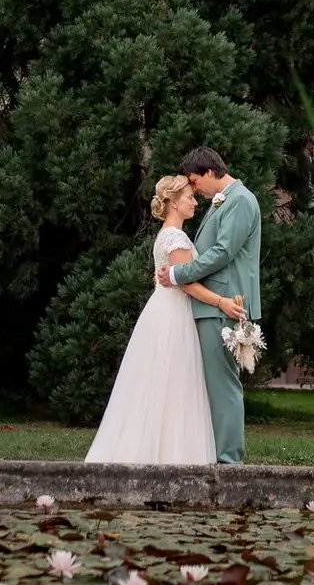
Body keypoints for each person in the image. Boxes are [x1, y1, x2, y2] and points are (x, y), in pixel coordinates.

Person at [84, 175, 246, 465]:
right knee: (175, 384)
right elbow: (186, 284)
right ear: (173, 202)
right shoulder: (176, 237)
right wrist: (222, 302)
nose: (195, 202)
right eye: (189, 198)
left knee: (157, 383)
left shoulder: (165, 234)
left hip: (160, 310)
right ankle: (172, 455)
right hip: (174, 316)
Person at [155, 146, 261, 464]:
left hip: (224, 306)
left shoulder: (241, 200)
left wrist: (177, 273)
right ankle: (218, 455)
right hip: (214, 306)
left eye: (195, 181)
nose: (195, 189)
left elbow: (222, 252)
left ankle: (229, 461)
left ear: (210, 173)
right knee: (215, 385)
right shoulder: (225, 201)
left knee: (223, 385)